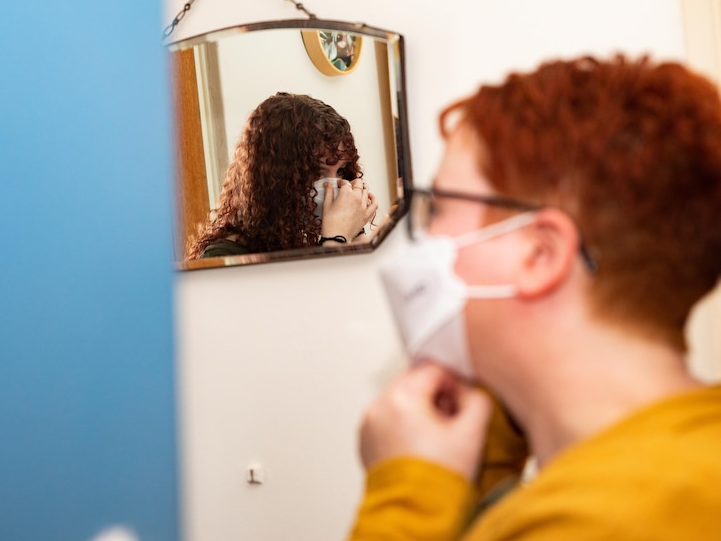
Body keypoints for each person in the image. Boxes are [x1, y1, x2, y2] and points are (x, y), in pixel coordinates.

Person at [347, 55, 721, 540]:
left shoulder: (588, 524)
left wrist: (408, 493)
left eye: (438, 208)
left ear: (539, 254)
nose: (422, 237)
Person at [186, 92, 378, 259]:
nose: (336, 187)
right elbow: (319, 297)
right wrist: (336, 239)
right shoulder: (223, 255)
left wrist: (356, 232)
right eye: (317, 174)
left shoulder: (298, 240)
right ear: (276, 180)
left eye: (341, 172)